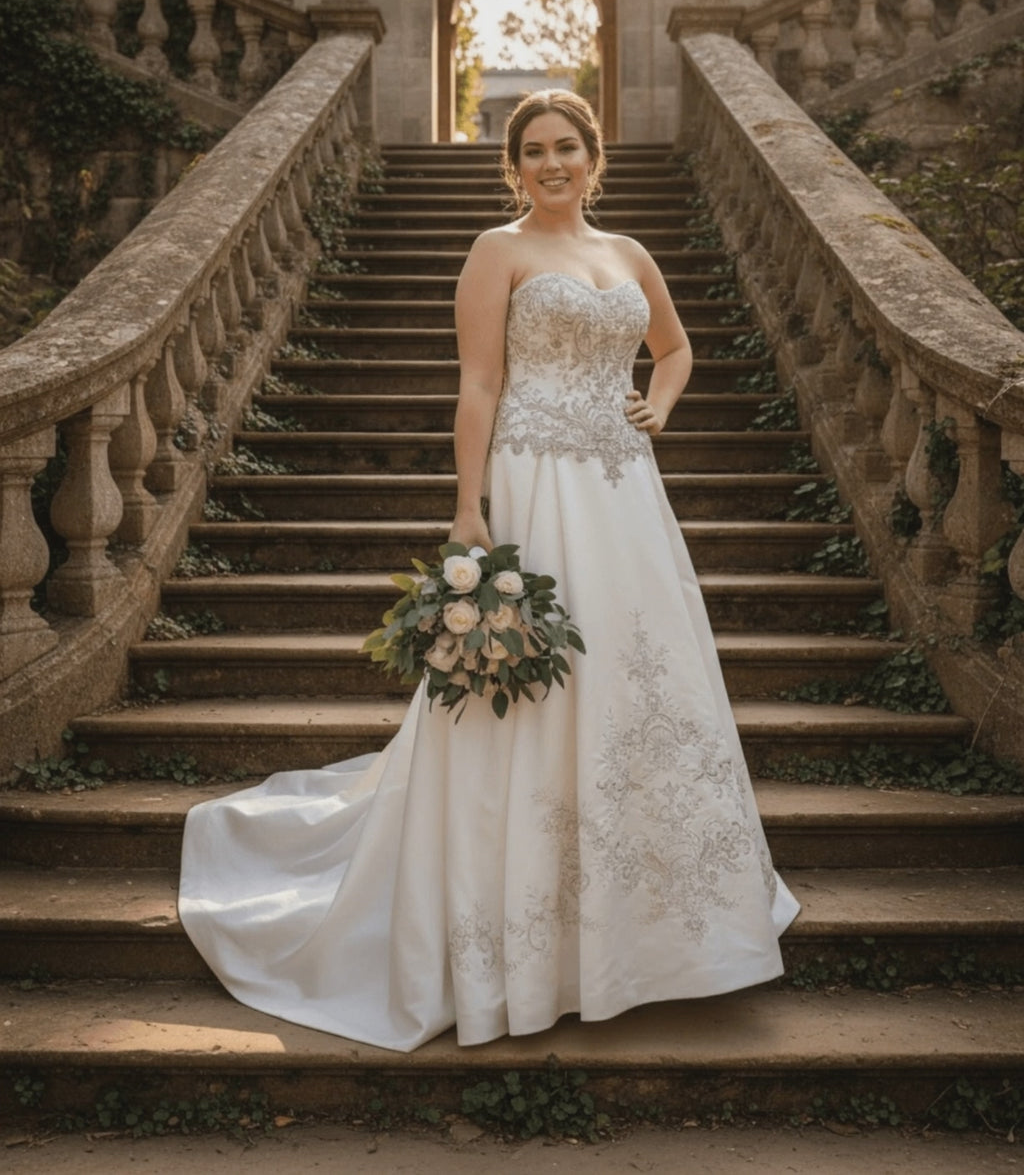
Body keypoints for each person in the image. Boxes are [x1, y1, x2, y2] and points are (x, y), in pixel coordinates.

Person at [178, 91, 799, 1053]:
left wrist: (659, 407)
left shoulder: (629, 254)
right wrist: (469, 508)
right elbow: (479, 383)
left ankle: (658, 932)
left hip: (625, 491)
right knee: (534, 692)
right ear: (514, 167)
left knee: (640, 682)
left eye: (568, 148)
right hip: (534, 480)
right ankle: (521, 933)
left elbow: (671, 349)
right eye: (535, 151)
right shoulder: (495, 251)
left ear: (596, 157)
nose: (553, 164)